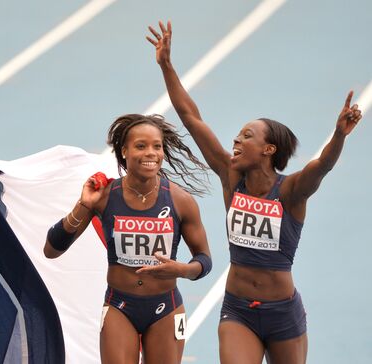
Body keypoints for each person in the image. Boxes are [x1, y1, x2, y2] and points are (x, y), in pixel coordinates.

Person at [147, 21, 363, 364]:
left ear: (269, 150)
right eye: (238, 134)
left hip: (283, 315)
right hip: (238, 310)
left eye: (247, 136)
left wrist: (339, 135)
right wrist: (166, 65)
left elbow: (322, 165)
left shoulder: (291, 190)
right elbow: (191, 118)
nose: (236, 140)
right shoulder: (230, 177)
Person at [44, 113, 213, 364]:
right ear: (124, 151)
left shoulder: (181, 200)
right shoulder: (104, 196)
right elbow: (52, 249)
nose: (151, 153)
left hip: (166, 308)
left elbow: (204, 261)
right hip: (119, 306)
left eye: (157, 146)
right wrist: (83, 205)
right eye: (141, 146)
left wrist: (182, 270)